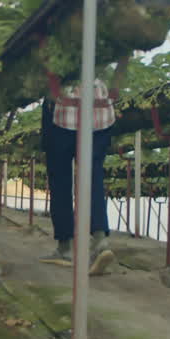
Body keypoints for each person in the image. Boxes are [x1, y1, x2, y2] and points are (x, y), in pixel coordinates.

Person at [39, 58, 130, 275]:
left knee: (60, 179)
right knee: (92, 176)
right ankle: (100, 242)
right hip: (99, 110)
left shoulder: (58, 31)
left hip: (64, 108)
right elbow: (123, 61)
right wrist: (114, 89)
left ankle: (65, 247)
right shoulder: (109, 30)